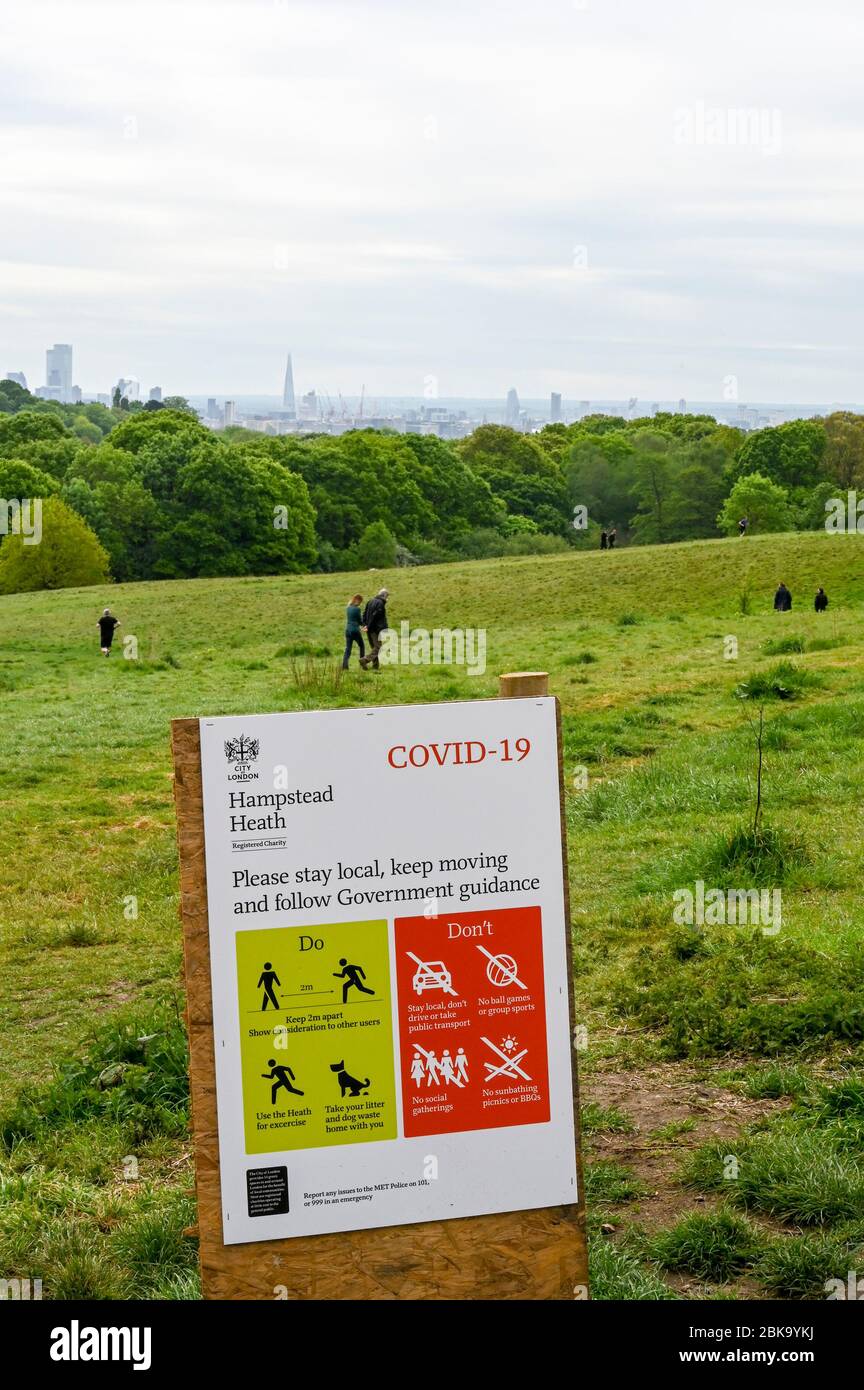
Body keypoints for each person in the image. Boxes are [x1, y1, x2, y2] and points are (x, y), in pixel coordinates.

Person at [359, 588, 389, 670]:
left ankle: (375, 666)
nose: (387, 599)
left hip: (369, 629)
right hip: (376, 629)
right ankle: (364, 660)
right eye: (387, 597)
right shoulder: (380, 604)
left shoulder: (370, 601)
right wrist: (368, 626)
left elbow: (364, 614)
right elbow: (375, 617)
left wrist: (365, 624)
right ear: (384, 595)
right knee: (378, 647)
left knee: (374, 647)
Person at [342, 593, 365, 670]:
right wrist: (364, 625)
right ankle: (362, 663)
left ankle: (344, 665)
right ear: (357, 600)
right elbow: (359, 621)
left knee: (348, 649)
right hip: (355, 631)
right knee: (362, 646)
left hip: (348, 630)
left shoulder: (348, 608)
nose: (360, 604)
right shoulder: (357, 609)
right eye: (360, 602)